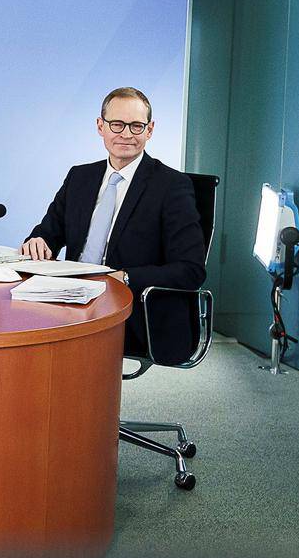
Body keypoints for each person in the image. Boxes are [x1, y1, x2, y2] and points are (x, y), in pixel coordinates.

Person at [20, 87, 206, 363]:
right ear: (100, 126)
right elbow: (49, 231)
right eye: (117, 124)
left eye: (136, 126)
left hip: (129, 306)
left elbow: (191, 270)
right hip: (72, 295)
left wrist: (125, 277)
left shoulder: (172, 186)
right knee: (16, 324)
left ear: (150, 130)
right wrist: (38, 242)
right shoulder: (80, 177)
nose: (126, 134)